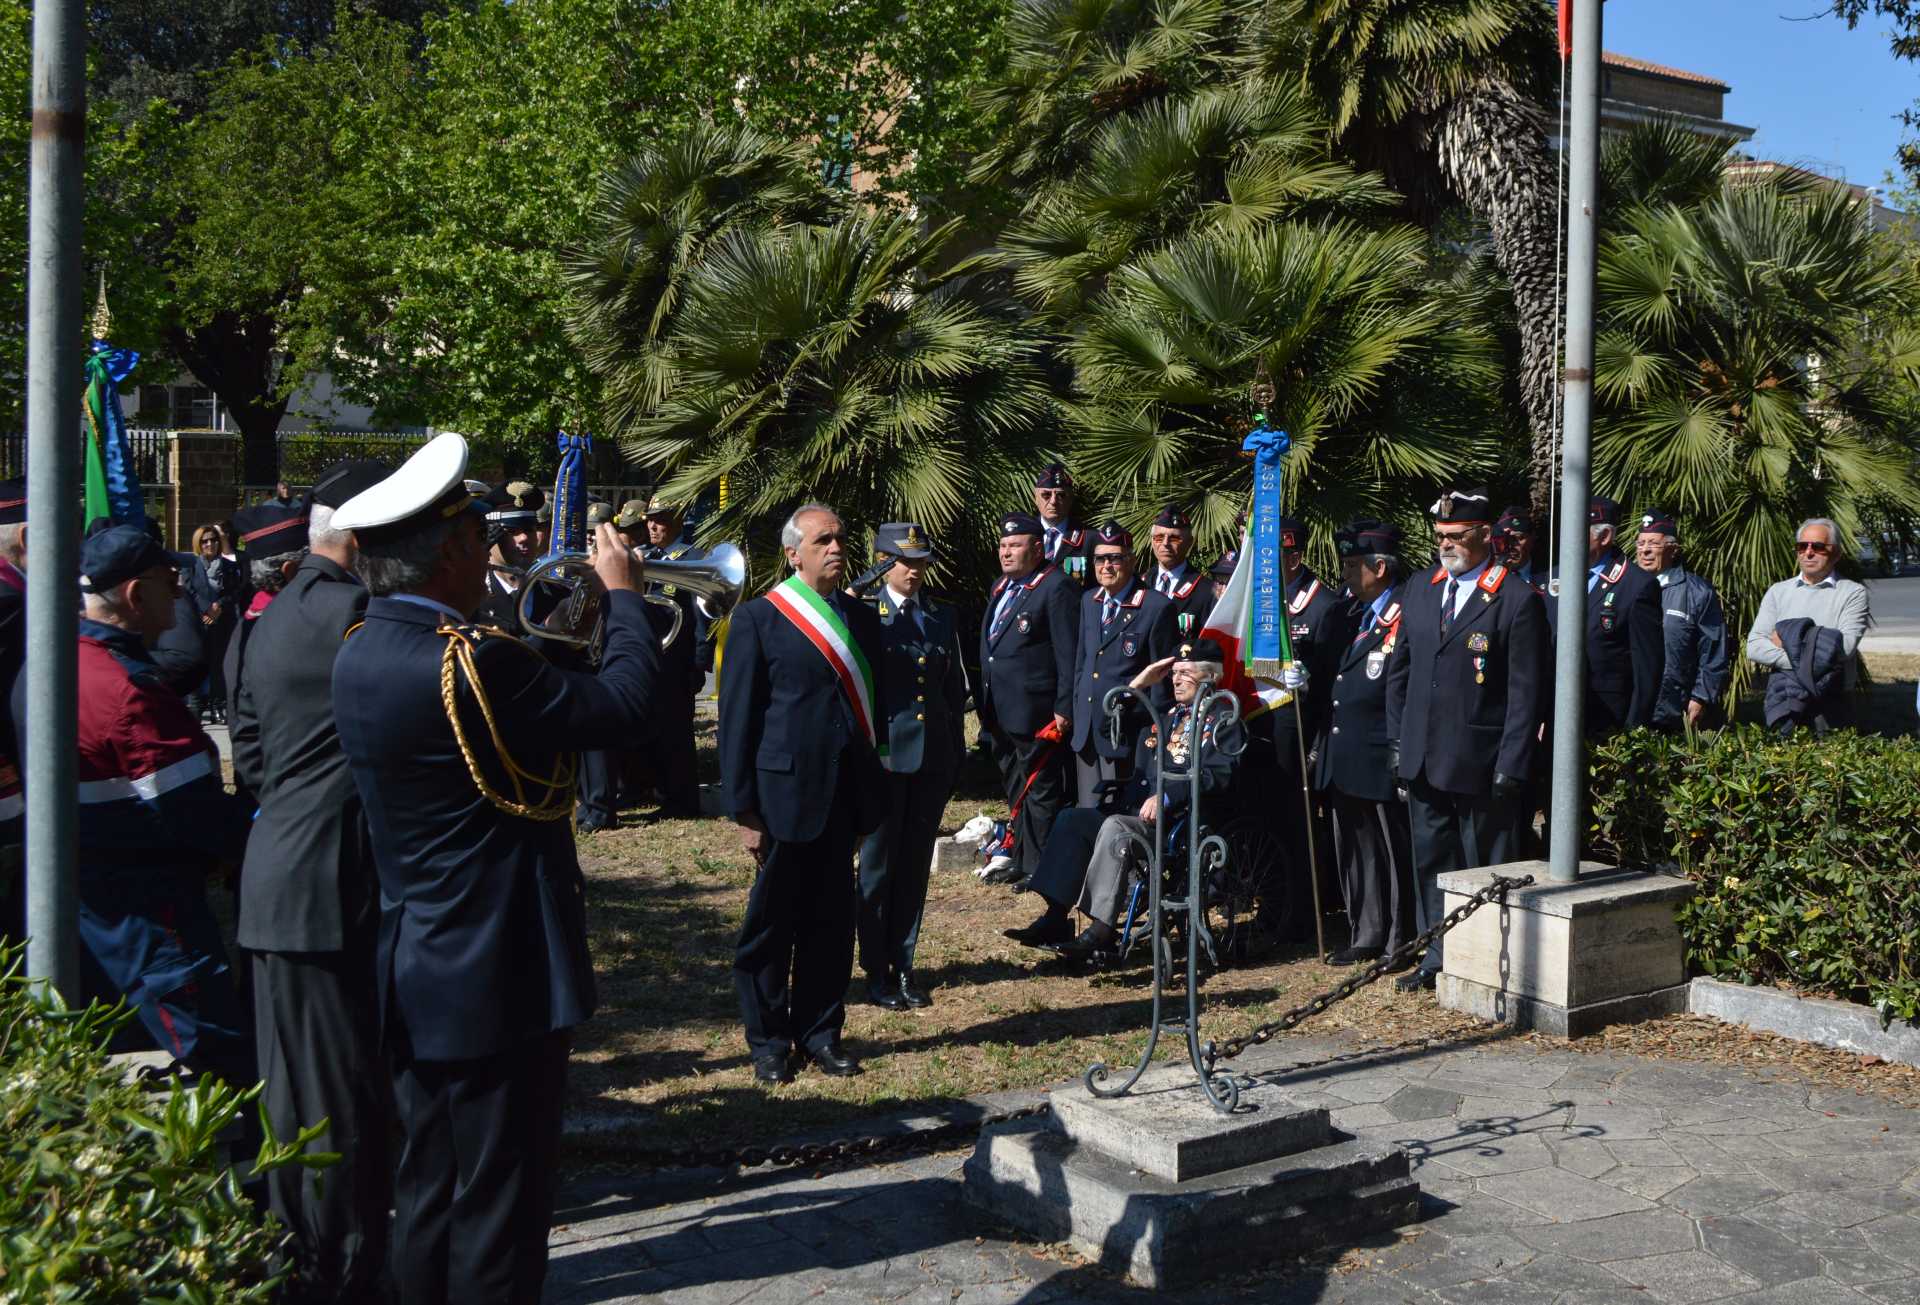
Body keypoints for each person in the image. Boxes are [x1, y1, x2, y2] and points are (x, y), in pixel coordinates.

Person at [330, 434, 657, 1305]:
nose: (488, 550)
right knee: (502, 1211)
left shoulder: (363, 645)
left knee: (429, 1190)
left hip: (417, 965)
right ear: (449, 552)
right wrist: (622, 599)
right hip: (504, 973)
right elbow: (626, 705)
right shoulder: (471, 660)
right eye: (478, 537)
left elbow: (502, 725)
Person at [227, 458, 390, 1304]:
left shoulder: (273, 610)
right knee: (340, 1102)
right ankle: (343, 1277)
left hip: (275, 879)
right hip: (330, 886)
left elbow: (251, 754)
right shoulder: (356, 612)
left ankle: (306, 1262)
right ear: (362, 535)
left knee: (292, 1098)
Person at [29, 524, 255, 1080]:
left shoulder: (53, 666)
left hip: (98, 903)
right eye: (167, 582)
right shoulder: (127, 689)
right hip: (154, 911)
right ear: (134, 594)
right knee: (221, 1063)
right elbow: (195, 813)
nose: (179, 594)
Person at [719, 503, 887, 1083]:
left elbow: (875, 717)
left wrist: (871, 797)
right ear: (793, 552)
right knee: (771, 929)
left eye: (840, 538)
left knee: (831, 925)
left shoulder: (862, 622)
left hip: (842, 798)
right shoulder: (760, 620)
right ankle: (768, 1042)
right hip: (782, 798)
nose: (836, 547)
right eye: (823, 540)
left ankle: (821, 1033)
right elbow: (738, 718)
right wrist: (744, 808)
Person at [1385, 487, 1549, 993]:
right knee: (1432, 862)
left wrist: (1512, 762)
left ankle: (1488, 961)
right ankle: (1438, 954)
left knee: (1486, 866)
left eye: (1456, 537)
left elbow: (1527, 693)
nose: (1446, 545)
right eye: (1440, 536)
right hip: (1423, 756)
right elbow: (1401, 673)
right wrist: (1398, 742)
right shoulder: (1420, 588)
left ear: (1484, 537)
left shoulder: (1516, 599)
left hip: (1481, 760)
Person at [1012, 640, 1244, 960]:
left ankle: (1101, 928)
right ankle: (1055, 916)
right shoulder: (1166, 716)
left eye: (1185, 674)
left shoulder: (1223, 721)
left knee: (1115, 827)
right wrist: (1137, 684)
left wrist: (1166, 797)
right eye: (1173, 673)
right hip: (1138, 813)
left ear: (1210, 677)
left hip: (1180, 821)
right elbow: (1108, 727)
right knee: (1072, 820)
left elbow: (1218, 776)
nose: (1175, 680)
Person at [855, 522, 966, 1011]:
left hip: (930, 760)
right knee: (877, 869)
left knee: (914, 867)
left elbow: (952, 691)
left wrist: (953, 752)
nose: (915, 571)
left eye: (921, 563)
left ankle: (903, 965)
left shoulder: (941, 616)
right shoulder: (864, 614)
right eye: (905, 562)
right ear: (883, 562)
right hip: (883, 759)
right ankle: (873, 968)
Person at [1314, 521, 1413, 968]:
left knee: (1392, 851)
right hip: (1346, 751)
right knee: (1355, 849)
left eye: (1354, 566)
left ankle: (1400, 937)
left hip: (1379, 751)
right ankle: (1366, 931)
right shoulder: (1350, 613)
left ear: (1381, 567)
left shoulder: (1406, 612)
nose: (1347, 574)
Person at [976, 513, 1079, 886]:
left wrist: (1064, 707)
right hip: (1001, 709)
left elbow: (1068, 654)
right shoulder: (1001, 587)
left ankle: (1040, 868)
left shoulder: (1056, 587)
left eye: (1015, 545)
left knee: (1040, 789)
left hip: (1038, 710)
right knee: (1016, 785)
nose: (1006, 552)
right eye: (1003, 545)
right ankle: (1019, 854)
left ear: (1038, 548)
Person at [1068, 522, 1177, 808]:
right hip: (1089, 729)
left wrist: (1157, 737)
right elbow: (1082, 663)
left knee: (1121, 821)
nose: (1106, 566)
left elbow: (1162, 684)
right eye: (1100, 558)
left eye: (1114, 558)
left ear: (1131, 560)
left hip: (1129, 733)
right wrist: (1078, 710)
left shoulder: (1155, 607)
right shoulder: (1088, 602)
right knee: (1089, 813)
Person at [1745, 517, 1871, 732]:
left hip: (1832, 700)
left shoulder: (1852, 593)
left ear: (1837, 553)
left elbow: (1844, 649)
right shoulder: (1778, 591)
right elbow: (1754, 647)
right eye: (1802, 546)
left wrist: (1786, 641)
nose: (1808, 552)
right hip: (1784, 699)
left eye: (1818, 547)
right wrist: (1819, 644)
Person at [630, 495, 712, 819]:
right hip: (652, 660)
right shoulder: (649, 556)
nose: (652, 525)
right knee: (657, 731)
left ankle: (683, 801)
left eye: (661, 519)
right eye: (650, 518)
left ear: (677, 520)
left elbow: (703, 618)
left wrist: (698, 663)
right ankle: (662, 792)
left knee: (677, 736)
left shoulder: (690, 558)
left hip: (678, 661)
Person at [1634, 510, 1730, 731]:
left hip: (1675, 710)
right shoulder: (1626, 587)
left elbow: (1713, 649)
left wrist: (1700, 697)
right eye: (1640, 544)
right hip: (1631, 705)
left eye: (1654, 544)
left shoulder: (1697, 592)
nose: (1645, 550)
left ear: (1673, 549)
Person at [1582, 497, 1664, 735]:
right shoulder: (1554, 579)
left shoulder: (1637, 585)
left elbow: (1647, 667)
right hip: (1554, 722)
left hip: (1607, 724)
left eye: (1576, 529)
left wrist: (1633, 730)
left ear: (1604, 536)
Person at [477, 480, 545, 631]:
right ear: (490, 535)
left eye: (529, 530)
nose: (524, 538)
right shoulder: (471, 598)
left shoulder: (557, 593)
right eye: (511, 531)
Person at [1146, 506, 1212, 635]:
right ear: (1152, 541)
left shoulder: (1206, 591)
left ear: (1189, 543)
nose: (1165, 543)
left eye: (1174, 538)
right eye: (1159, 537)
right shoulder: (1139, 584)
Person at [1033, 462, 1094, 584]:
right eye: (1046, 495)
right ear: (1036, 497)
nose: (1053, 501)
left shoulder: (1089, 538)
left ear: (1070, 498)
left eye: (1060, 495)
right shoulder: (1024, 535)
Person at [1492, 505, 1550, 593]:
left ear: (1532, 537)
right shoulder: (1491, 579)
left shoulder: (1550, 575)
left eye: (1518, 538)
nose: (1510, 545)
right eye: (1505, 539)